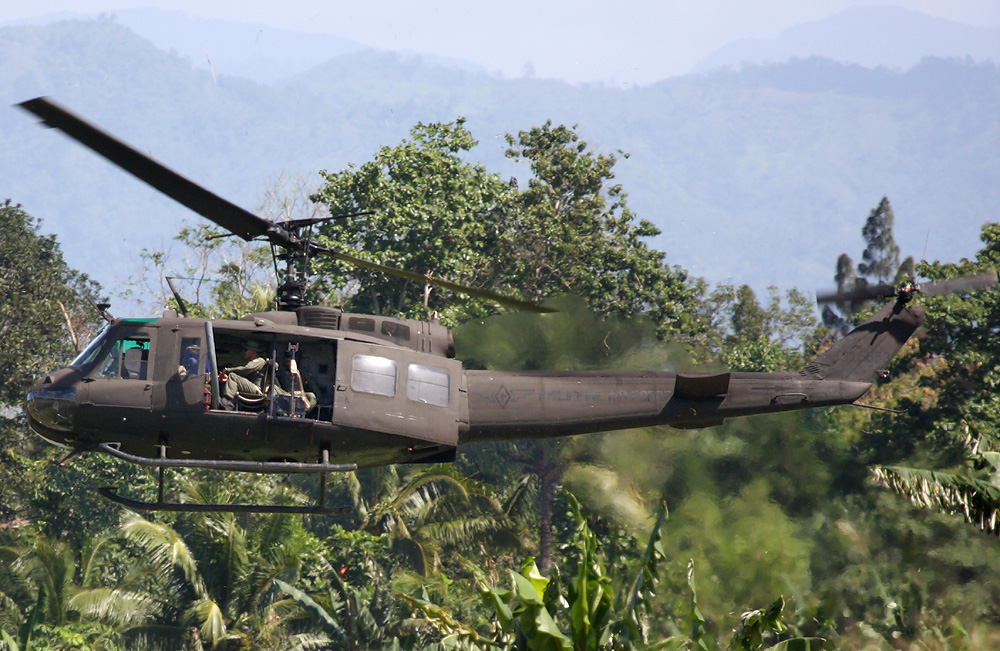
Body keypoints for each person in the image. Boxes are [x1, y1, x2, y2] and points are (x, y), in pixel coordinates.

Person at [219, 340, 269, 410]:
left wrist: (228, 370)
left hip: (256, 389)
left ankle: (228, 401)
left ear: (253, 352)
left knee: (233, 376)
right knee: (231, 378)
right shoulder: (253, 361)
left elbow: (246, 369)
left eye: (246, 350)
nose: (244, 352)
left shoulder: (260, 360)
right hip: (252, 386)